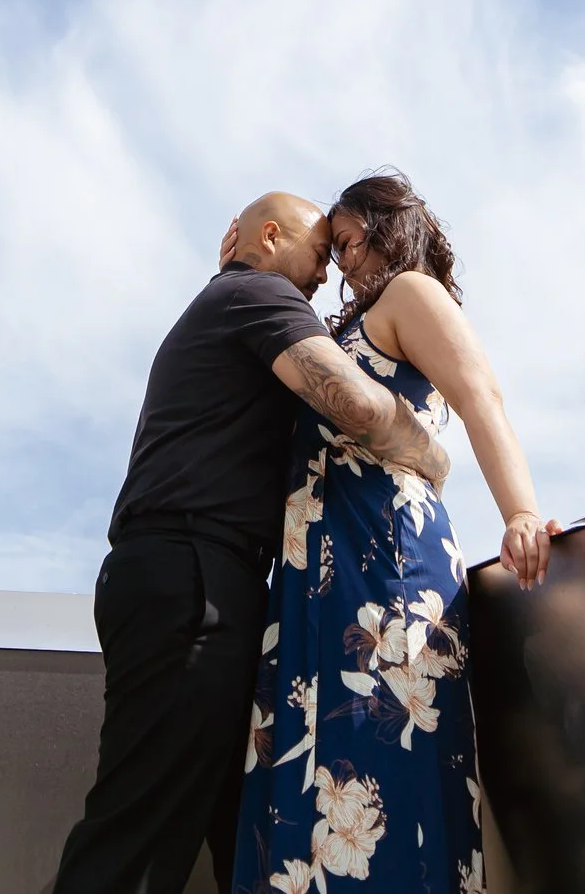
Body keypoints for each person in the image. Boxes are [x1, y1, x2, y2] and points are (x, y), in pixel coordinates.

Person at [52, 191, 454, 894]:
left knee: (227, 827)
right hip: (194, 579)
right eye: (321, 253)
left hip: (189, 578)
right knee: (135, 835)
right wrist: (430, 454)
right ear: (270, 237)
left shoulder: (229, 298)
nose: (327, 275)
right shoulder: (258, 292)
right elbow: (357, 403)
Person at [231, 171, 558, 894]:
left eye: (350, 243)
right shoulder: (332, 333)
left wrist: (520, 513)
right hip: (312, 582)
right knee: (308, 785)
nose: (342, 265)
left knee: (384, 768)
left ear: (389, 231)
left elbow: (480, 395)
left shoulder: (411, 293)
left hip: (386, 565)